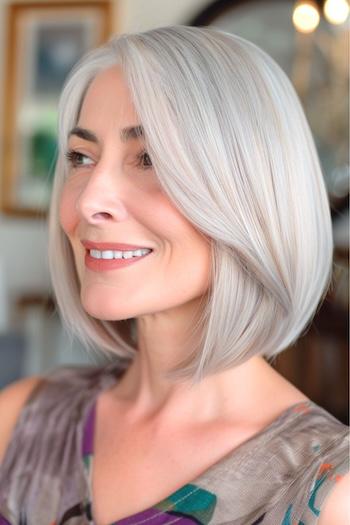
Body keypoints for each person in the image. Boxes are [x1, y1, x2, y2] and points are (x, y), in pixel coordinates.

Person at [0, 25, 348, 525]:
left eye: (151, 158)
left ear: (249, 196)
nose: (90, 200)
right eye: (82, 157)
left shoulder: (328, 496)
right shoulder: (21, 422)